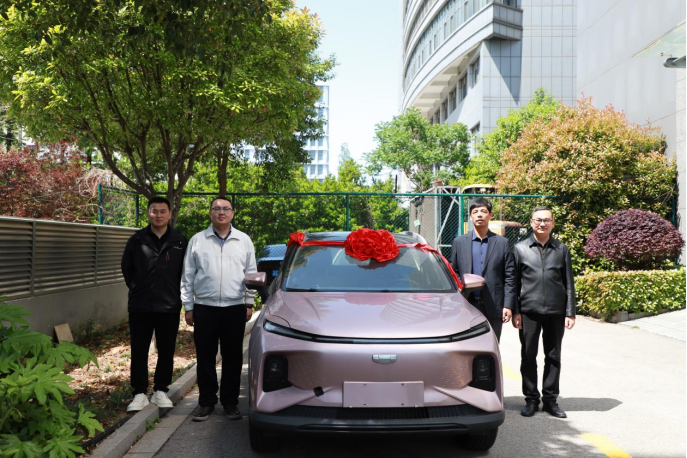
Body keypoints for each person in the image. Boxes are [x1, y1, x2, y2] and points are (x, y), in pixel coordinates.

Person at [181, 197, 257, 421]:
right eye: (216, 208)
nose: (221, 212)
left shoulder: (243, 240)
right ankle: (206, 403)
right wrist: (188, 306)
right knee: (205, 357)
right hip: (204, 307)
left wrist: (249, 302)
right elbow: (187, 276)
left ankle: (230, 402)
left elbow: (251, 274)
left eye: (225, 209)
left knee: (233, 357)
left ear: (232, 213)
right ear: (210, 213)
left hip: (235, 307)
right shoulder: (197, 240)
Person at [121, 197, 188, 412]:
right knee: (138, 350)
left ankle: (161, 390)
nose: (158, 215)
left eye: (162, 211)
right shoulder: (137, 239)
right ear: (148, 213)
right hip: (140, 305)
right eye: (154, 211)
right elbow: (127, 269)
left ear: (169, 213)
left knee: (166, 350)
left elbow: (185, 272)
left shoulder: (180, 241)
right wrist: (138, 288)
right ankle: (139, 393)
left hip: (169, 304)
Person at [512, 206, 576, 418]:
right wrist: (516, 311)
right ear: (531, 223)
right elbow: (514, 283)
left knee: (553, 355)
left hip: (556, 311)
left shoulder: (562, 250)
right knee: (528, 355)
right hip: (528, 311)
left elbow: (569, 283)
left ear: (553, 223)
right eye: (538, 220)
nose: (542, 223)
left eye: (546, 220)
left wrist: (570, 312)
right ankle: (531, 399)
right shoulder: (520, 249)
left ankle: (550, 400)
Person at [449, 196, 515, 341]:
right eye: (475, 212)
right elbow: (453, 272)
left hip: (494, 305)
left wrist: (508, 305)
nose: (479, 215)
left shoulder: (502, 243)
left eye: (483, 211)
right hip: (467, 304)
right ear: (470, 216)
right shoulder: (459, 242)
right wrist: (460, 291)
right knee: (468, 345)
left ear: (490, 215)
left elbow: (510, 276)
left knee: (492, 344)